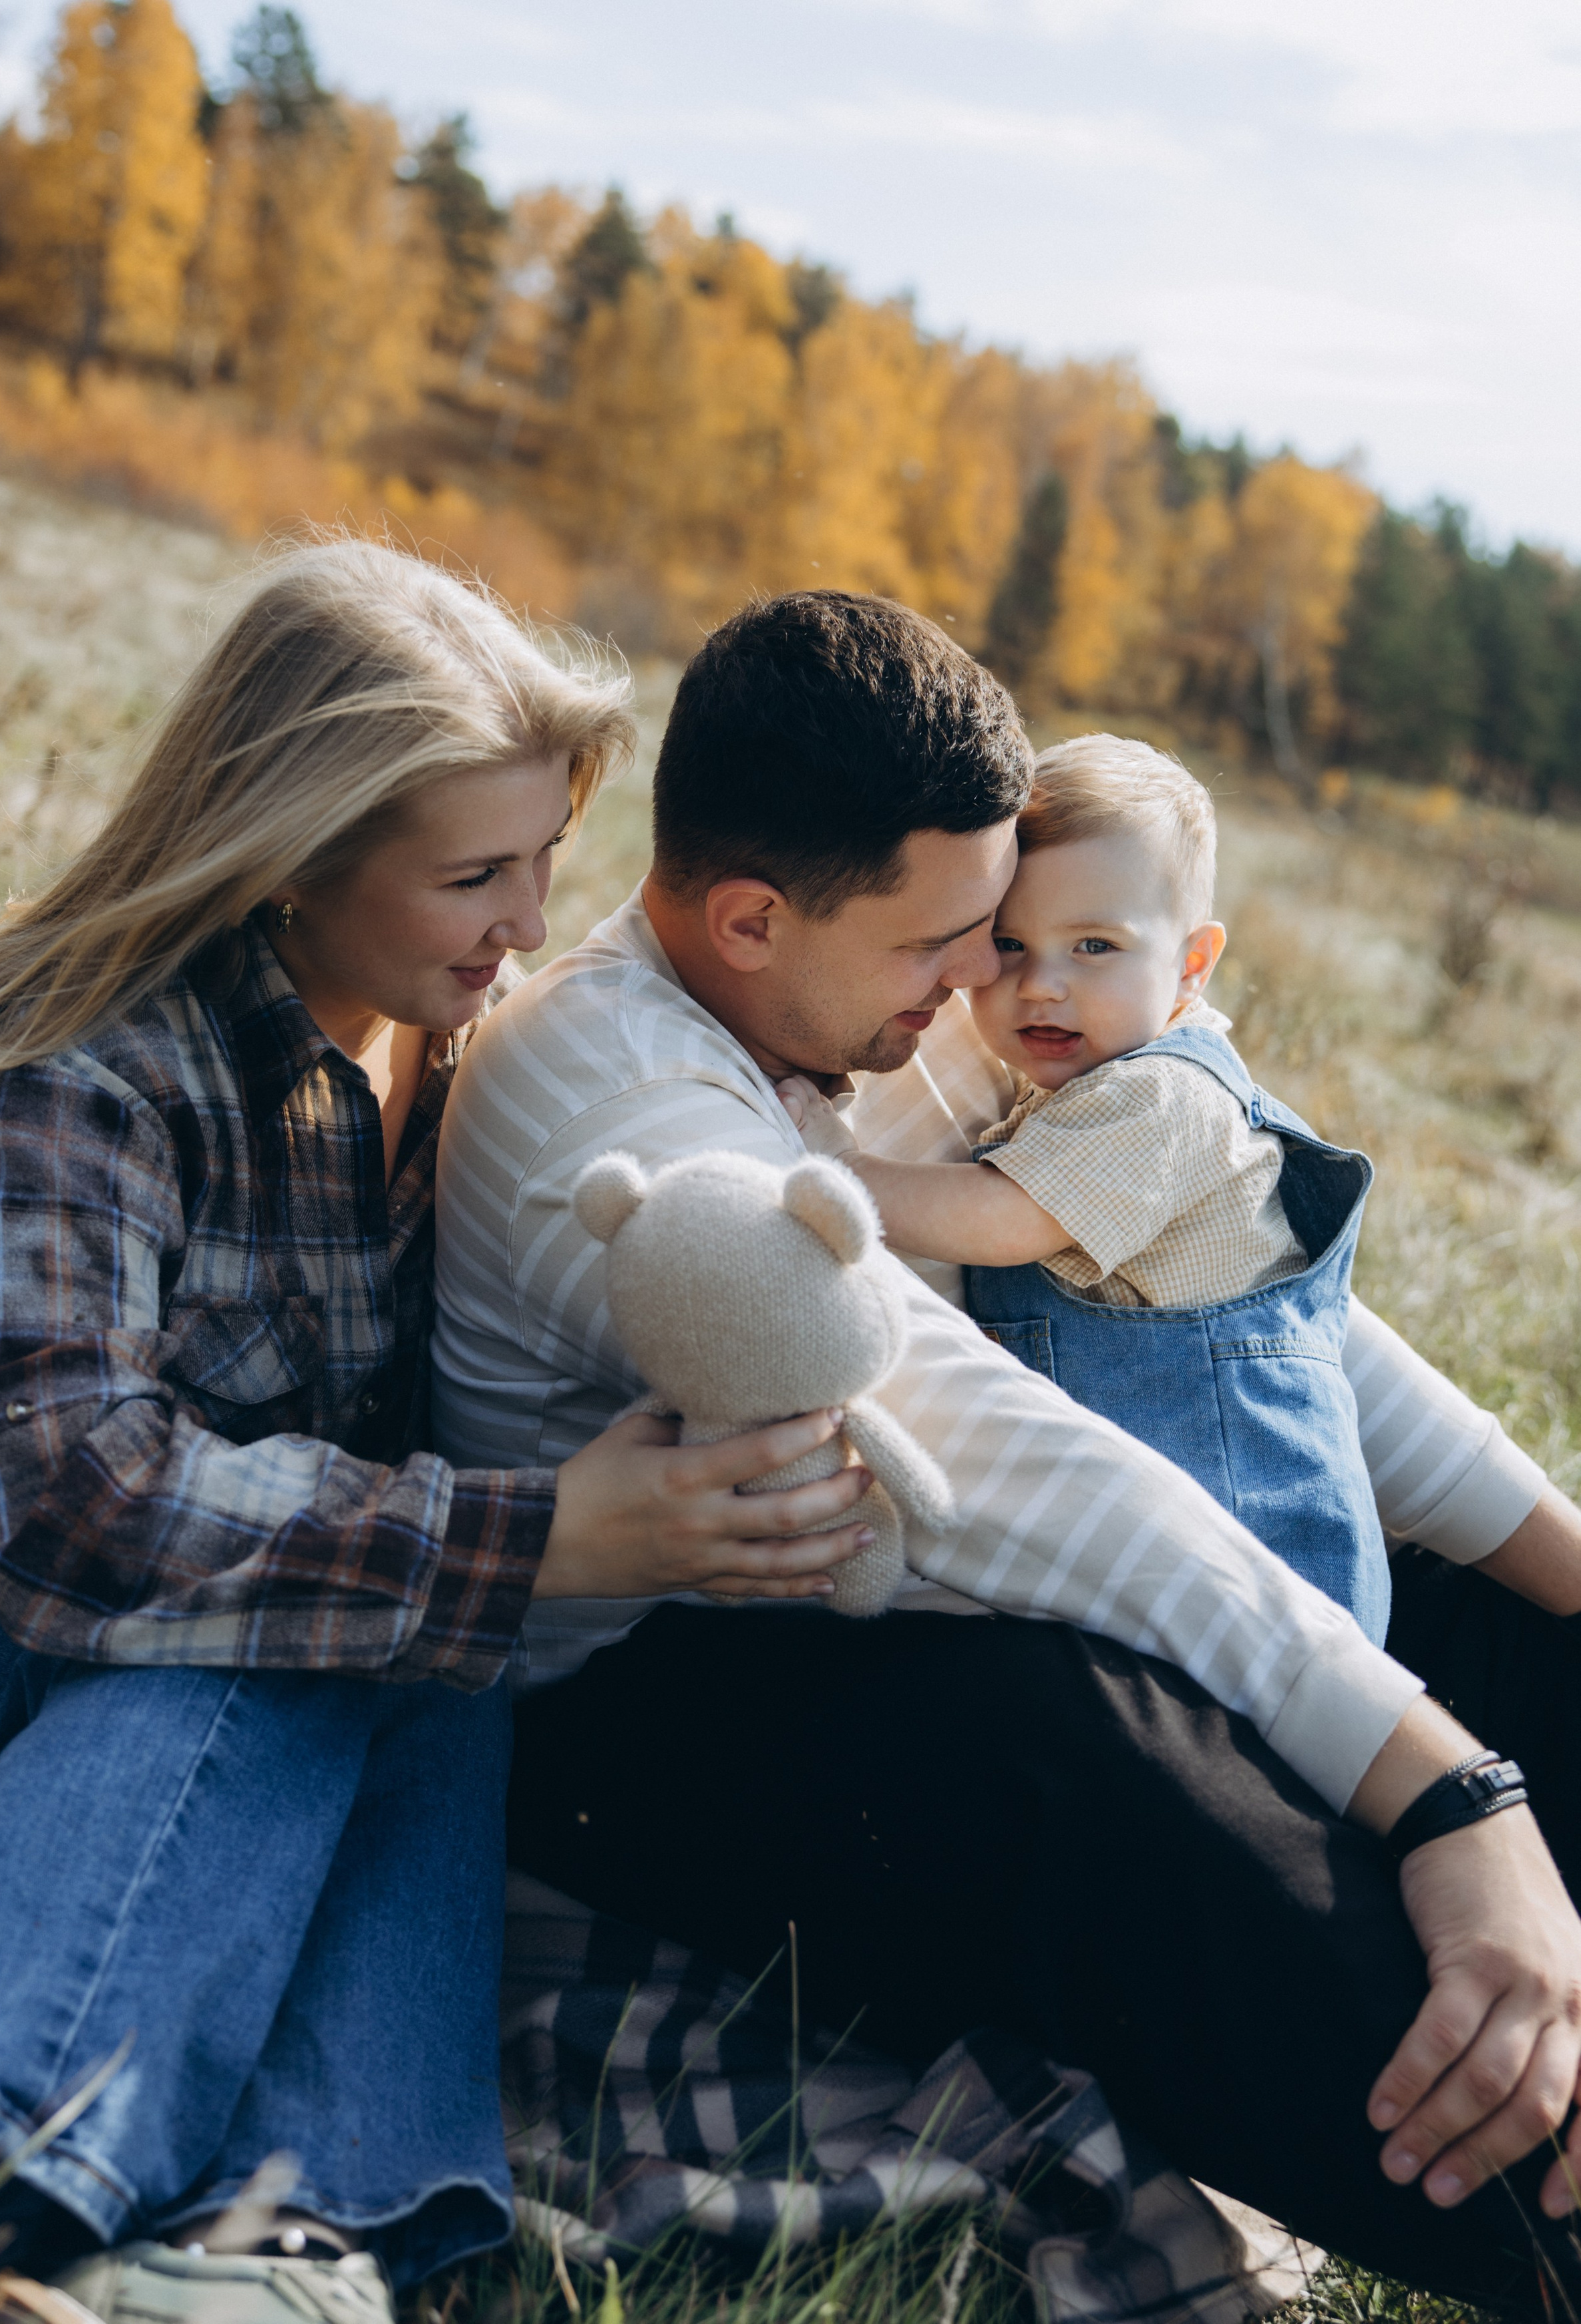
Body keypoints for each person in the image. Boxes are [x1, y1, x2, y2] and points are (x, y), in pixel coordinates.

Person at [432, 589, 1581, 2316]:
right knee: (1113, 1760)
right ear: (751, 918)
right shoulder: (619, 1110)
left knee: (1464, 1614)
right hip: (657, 1711)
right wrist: (1447, 1797)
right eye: (945, 942)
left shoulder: (842, 1019)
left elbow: (1231, 1298)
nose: (989, 979)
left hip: (896, 1596)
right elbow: (1003, 1466)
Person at [0, 542, 868, 2324]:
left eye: (549, 858)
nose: (528, 919)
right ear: (290, 863)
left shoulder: (437, 1061)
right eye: (473, 874)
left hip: (103, 1676)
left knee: (417, 1632)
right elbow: (79, 1512)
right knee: (329, 1598)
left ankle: (284, 2260)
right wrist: (544, 1536)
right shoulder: (74, 1071)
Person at [777, 731, 1390, 1639]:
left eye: (1095, 946)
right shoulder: (1084, 1089)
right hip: (1160, 1565)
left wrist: (834, 1165)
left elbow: (1004, 1218)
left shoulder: (1162, 1098)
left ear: (1191, 964)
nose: (1042, 987)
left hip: (1263, 1569)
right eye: (1011, 944)